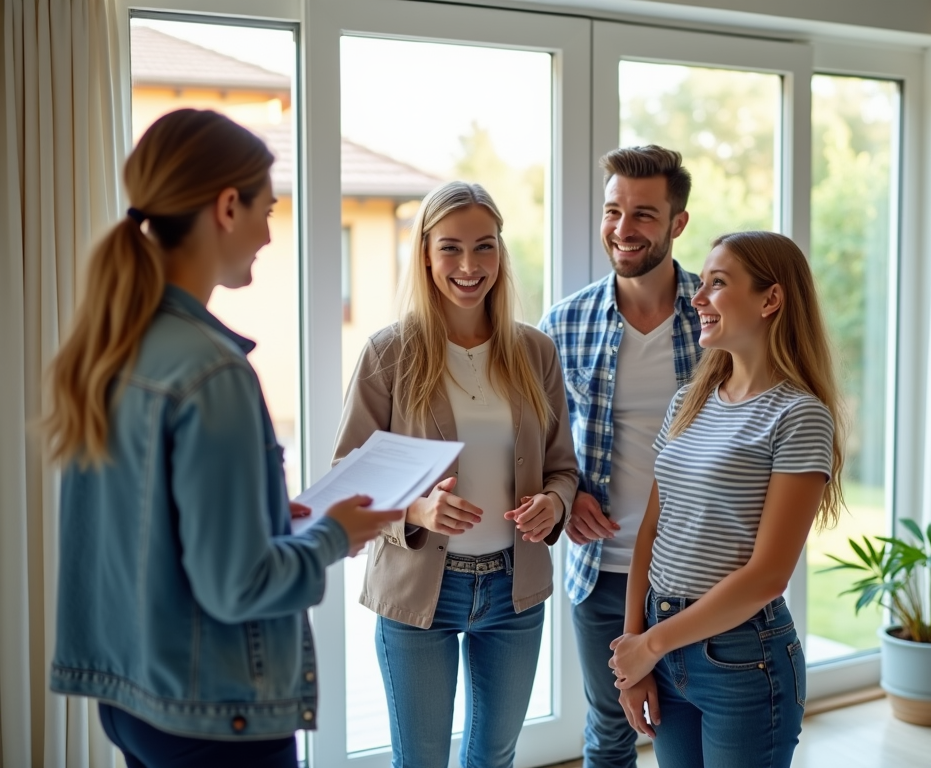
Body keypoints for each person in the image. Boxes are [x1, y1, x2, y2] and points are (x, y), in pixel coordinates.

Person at [43, 109, 400, 768]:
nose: (270, 233)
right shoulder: (212, 373)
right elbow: (237, 587)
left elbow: (145, 532)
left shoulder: (114, 344)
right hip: (215, 719)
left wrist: (268, 520)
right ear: (227, 207)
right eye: (267, 209)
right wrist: (334, 535)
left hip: (134, 701)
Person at [333, 180, 578, 768]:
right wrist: (416, 511)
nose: (470, 266)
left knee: (494, 757)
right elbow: (346, 478)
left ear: (501, 252)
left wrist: (554, 504)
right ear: (424, 253)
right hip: (418, 590)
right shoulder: (389, 353)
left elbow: (562, 468)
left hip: (512, 591)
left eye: (484, 246)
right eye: (451, 248)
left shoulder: (535, 353)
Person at [608, 231, 845, 768]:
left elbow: (768, 576)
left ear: (771, 299)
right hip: (663, 644)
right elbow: (651, 531)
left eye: (718, 283)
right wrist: (637, 651)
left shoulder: (799, 416)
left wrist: (652, 644)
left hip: (743, 658)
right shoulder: (688, 402)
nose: (696, 297)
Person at [539, 145, 702, 767]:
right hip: (601, 569)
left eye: (644, 214)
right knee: (610, 731)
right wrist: (566, 491)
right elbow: (538, 441)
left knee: (688, 723)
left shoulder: (713, 315)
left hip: (698, 568)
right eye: (613, 211)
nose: (623, 230)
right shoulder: (565, 322)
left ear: (677, 223)